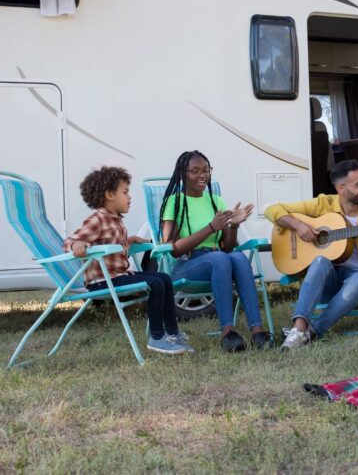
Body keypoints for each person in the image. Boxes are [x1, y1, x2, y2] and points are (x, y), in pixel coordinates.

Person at [265, 159, 358, 350]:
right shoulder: (324, 204)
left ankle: (311, 333)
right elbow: (271, 210)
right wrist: (299, 225)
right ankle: (298, 329)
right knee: (320, 260)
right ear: (341, 189)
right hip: (328, 281)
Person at [65, 166, 193, 355]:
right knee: (156, 283)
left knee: (164, 278)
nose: (129, 197)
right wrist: (76, 244)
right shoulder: (98, 219)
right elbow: (71, 240)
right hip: (103, 281)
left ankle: (173, 333)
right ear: (109, 194)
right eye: (125, 192)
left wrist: (129, 240)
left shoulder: (116, 220)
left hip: (119, 275)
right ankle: (157, 337)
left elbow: (111, 243)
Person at [159, 150, 271, 352]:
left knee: (237, 256)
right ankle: (228, 332)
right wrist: (211, 228)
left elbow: (227, 246)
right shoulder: (174, 202)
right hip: (187, 264)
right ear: (183, 173)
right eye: (195, 171)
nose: (202, 176)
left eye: (206, 170)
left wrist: (234, 225)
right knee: (221, 258)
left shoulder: (215, 201)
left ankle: (258, 332)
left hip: (218, 259)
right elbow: (172, 249)